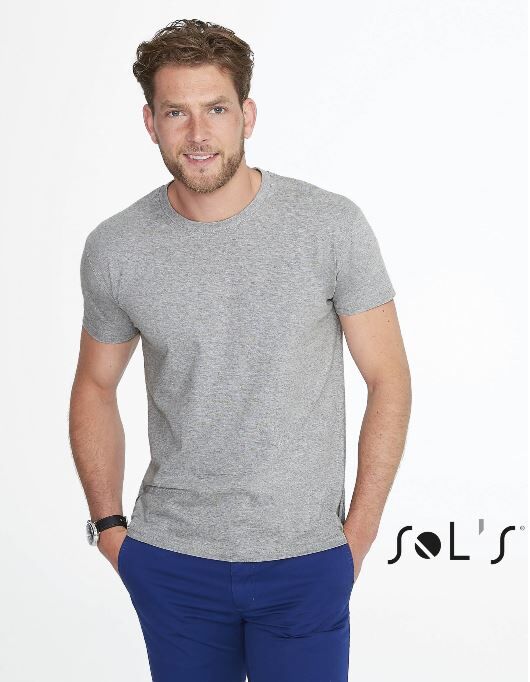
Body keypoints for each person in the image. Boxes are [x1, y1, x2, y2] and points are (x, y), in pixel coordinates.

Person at [69, 18, 412, 682]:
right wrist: (110, 527)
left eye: (217, 109)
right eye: (177, 112)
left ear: (247, 115)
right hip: (171, 560)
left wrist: (358, 536)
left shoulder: (328, 226)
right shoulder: (116, 248)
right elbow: (94, 384)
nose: (198, 134)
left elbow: (388, 378)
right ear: (150, 123)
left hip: (304, 558)